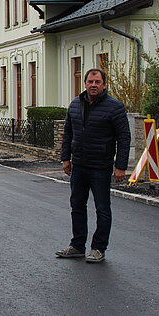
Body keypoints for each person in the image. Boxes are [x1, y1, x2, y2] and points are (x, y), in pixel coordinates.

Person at [57, 68, 130, 263]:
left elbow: (124, 138)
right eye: (90, 81)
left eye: (97, 82)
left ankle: (98, 248)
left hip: (101, 166)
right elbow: (68, 134)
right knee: (77, 206)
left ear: (104, 84)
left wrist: (120, 166)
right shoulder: (75, 104)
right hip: (79, 166)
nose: (93, 85)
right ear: (85, 83)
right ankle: (77, 245)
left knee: (102, 209)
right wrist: (66, 158)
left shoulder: (114, 107)